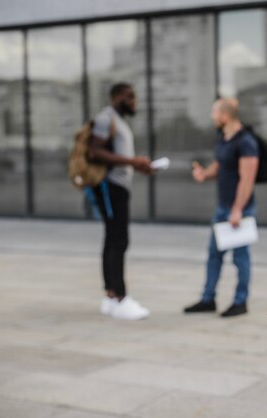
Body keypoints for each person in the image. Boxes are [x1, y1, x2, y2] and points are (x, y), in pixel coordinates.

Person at [184, 98, 259, 317]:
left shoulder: (246, 141)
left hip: (239, 210)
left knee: (240, 258)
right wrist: (205, 173)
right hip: (222, 209)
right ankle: (208, 299)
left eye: (214, 112)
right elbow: (221, 163)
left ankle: (240, 301)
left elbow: (247, 179)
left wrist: (237, 209)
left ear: (225, 116)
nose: (212, 116)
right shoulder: (224, 137)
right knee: (213, 255)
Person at [89, 82, 153, 320]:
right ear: (117, 97)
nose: (134, 101)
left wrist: (138, 165)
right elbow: (95, 151)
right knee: (118, 240)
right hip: (110, 187)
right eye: (129, 97)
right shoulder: (107, 118)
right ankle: (121, 298)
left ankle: (110, 296)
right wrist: (132, 161)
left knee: (114, 239)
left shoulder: (119, 120)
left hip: (118, 187)